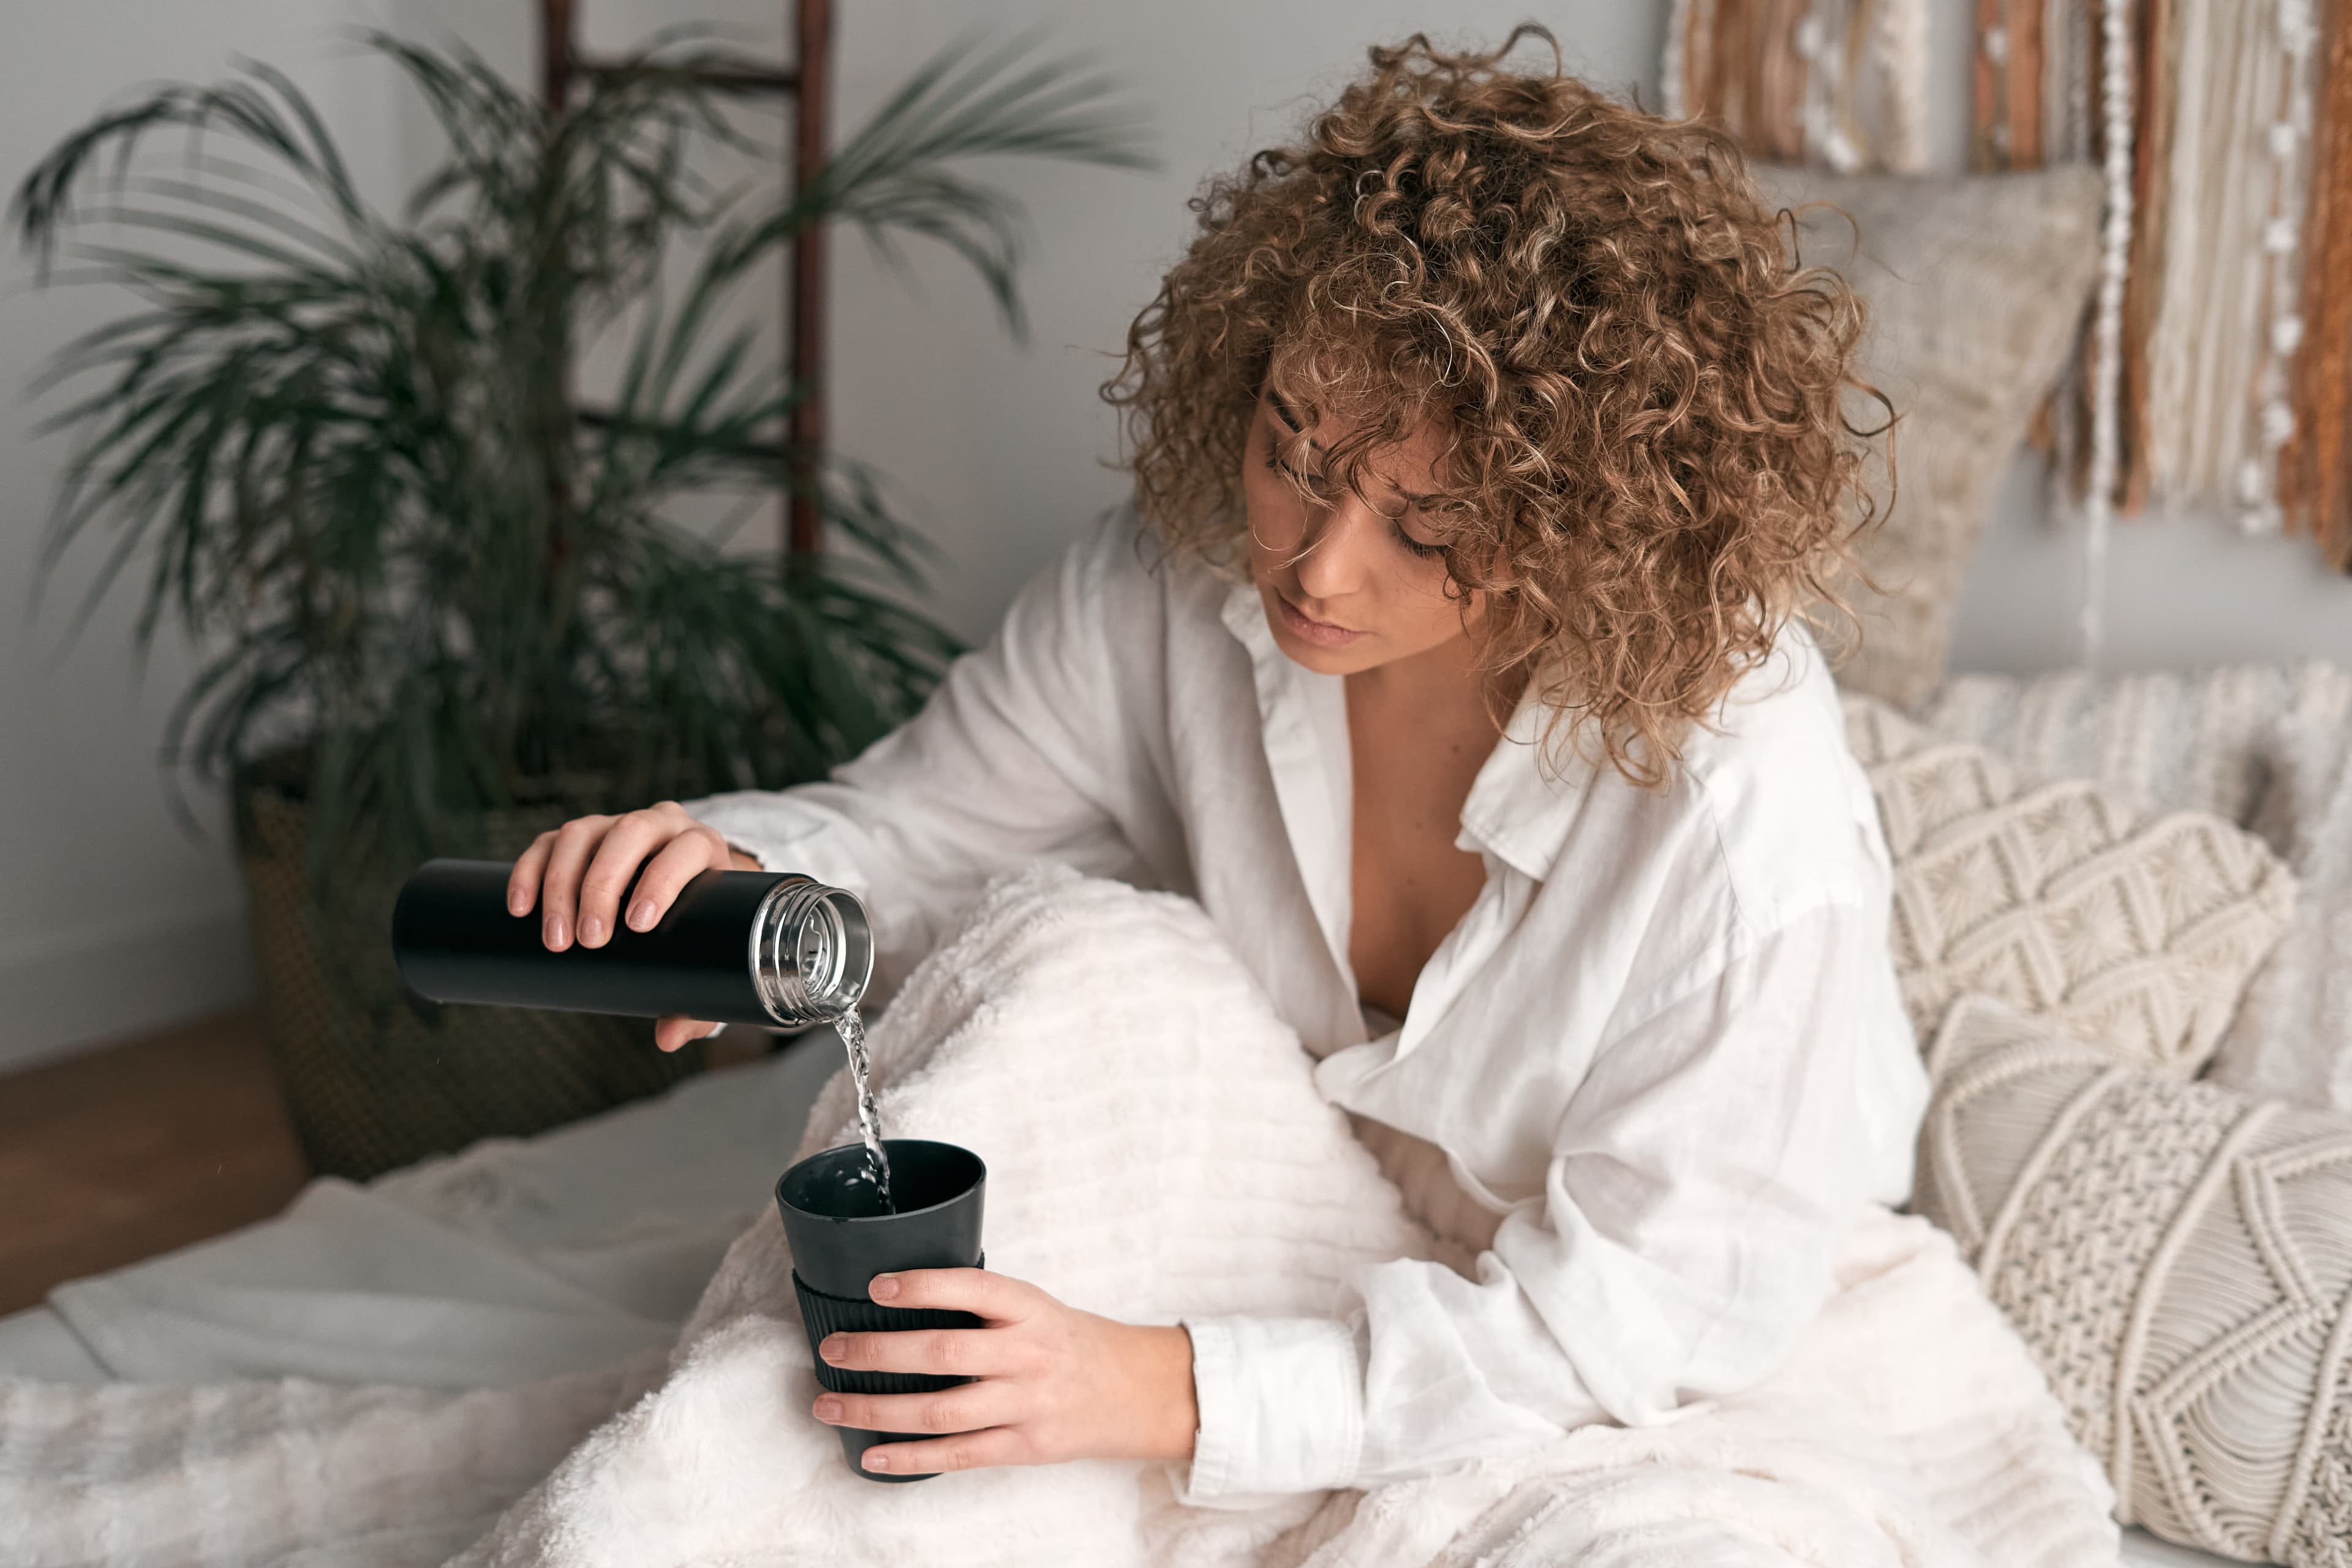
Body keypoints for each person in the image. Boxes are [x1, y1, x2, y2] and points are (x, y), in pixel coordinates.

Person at [505, 30, 1928, 1498]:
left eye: (1425, 525)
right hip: (1299, 1225)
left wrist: (1159, 1382)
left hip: (1667, 1343)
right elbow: (922, 830)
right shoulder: (1174, 585)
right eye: (1293, 453)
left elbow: (1637, 1325)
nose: (1314, 563)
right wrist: (741, 870)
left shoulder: (1744, 816)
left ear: (1584, 520)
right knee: (1078, 967)